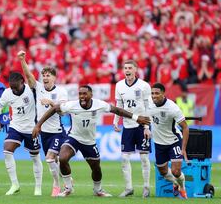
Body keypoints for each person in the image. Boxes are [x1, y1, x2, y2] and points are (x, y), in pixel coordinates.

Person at [33, 85, 151, 197]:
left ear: (91, 94)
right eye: (80, 94)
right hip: (74, 138)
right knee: (63, 158)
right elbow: (54, 109)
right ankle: (68, 188)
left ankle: (98, 190)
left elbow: (117, 110)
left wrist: (136, 118)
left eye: (85, 94)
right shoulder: (72, 105)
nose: (82, 96)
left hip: (89, 141)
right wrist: (38, 125)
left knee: (96, 168)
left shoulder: (99, 104)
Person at [18, 50, 68, 197]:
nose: (45, 78)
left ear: (54, 78)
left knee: (50, 158)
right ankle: (67, 180)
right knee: (54, 161)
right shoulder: (39, 88)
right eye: (44, 75)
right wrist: (22, 60)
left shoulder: (61, 91)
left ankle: (57, 185)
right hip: (44, 132)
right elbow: (28, 76)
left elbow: (63, 112)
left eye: (48, 75)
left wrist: (52, 102)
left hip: (57, 131)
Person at [0, 72, 43, 196]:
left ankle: (38, 187)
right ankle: (15, 184)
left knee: (35, 157)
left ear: (22, 82)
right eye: (12, 87)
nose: (14, 90)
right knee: (7, 151)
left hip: (32, 128)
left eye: (16, 87)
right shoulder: (7, 92)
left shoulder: (31, 91)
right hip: (16, 127)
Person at [113, 60, 152, 198]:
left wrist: (147, 127)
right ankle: (129, 188)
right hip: (128, 126)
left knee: (144, 158)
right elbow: (119, 104)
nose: (127, 70)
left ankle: (146, 187)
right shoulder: (119, 85)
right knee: (124, 158)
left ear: (136, 70)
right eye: (125, 68)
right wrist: (116, 120)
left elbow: (148, 107)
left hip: (142, 126)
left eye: (130, 68)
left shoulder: (144, 86)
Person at [147, 83, 189, 199]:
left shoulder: (172, 108)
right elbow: (146, 118)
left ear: (163, 94)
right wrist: (146, 129)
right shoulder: (149, 104)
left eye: (157, 93)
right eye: (152, 93)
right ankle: (175, 183)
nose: (154, 96)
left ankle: (182, 188)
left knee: (176, 171)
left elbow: (185, 127)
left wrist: (183, 148)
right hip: (159, 143)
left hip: (174, 141)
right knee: (163, 172)